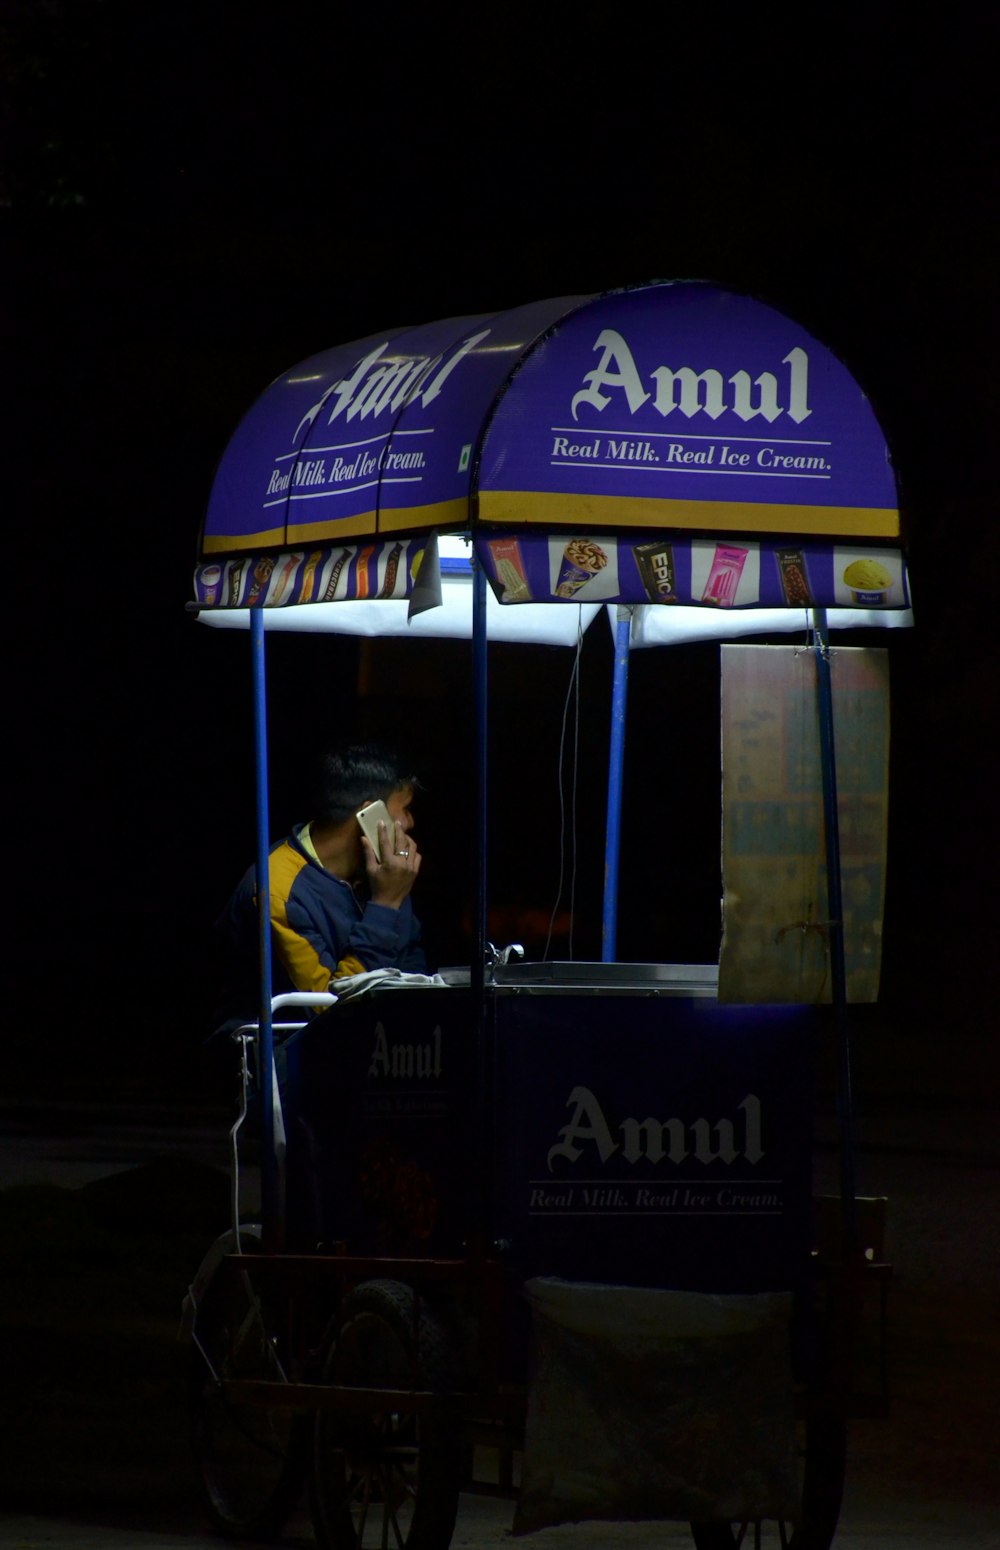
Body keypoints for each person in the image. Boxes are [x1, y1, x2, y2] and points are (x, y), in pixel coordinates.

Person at [216, 742, 427, 1022]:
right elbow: (327, 1012)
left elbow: (416, 977)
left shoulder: (382, 874)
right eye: (406, 809)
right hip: (282, 1055)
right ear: (372, 816)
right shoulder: (276, 889)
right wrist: (385, 905)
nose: (410, 822)